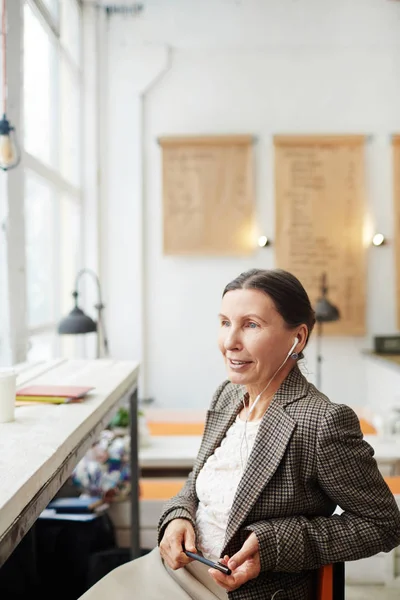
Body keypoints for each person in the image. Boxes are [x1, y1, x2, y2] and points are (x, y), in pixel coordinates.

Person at [78, 268, 400, 600]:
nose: (230, 342)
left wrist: (275, 543)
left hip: (237, 592)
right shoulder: (228, 395)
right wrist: (177, 516)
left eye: (251, 325)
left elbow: (384, 524)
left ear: (298, 338)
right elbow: (199, 482)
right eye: (224, 322)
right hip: (170, 570)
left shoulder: (323, 422)